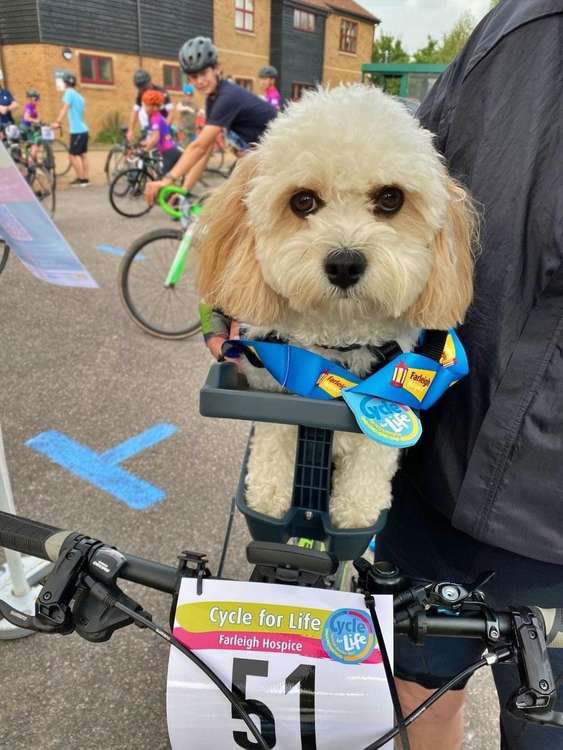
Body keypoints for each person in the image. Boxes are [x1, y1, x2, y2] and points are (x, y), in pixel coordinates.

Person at [374, 2, 563, 748]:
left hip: (529, 513)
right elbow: (396, 188)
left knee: (543, 726)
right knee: (420, 693)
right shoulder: (517, 26)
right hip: (440, 459)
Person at [145, 36, 277, 205]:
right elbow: (205, 148)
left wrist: (168, 179)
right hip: (263, 156)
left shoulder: (227, 96)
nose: (199, 81)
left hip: (282, 156)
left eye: (203, 73)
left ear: (216, 69)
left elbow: (198, 146)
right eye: (193, 76)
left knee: (238, 210)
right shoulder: (213, 98)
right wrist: (185, 190)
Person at [52, 72, 89, 186]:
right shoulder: (79, 96)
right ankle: (85, 178)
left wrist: (57, 122)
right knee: (83, 154)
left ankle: (82, 180)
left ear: (65, 83)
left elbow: (65, 108)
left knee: (72, 155)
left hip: (77, 130)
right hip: (83, 129)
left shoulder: (69, 93)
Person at [141, 89, 183, 175]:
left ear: (154, 107)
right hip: (169, 151)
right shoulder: (156, 116)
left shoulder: (155, 118)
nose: (144, 108)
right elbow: (155, 137)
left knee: (163, 181)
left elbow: (155, 138)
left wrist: (145, 150)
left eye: (146, 105)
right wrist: (145, 143)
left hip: (169, 152)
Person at [127, 69, 173, 143]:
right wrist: (131, 130)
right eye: (140, 88)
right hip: (149, 126)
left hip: (163, 122)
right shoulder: (141, 93)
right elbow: (135, 111)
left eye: (145, 87)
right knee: (139, 148)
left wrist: (164, 128)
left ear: (150, 82)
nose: (143, 91)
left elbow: (171, 114)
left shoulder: (162, 92)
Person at [20, 88, 41, 164]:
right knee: (35, 144)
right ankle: (30, 163)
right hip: (26, 127)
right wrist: (35, 121)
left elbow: (36, 117)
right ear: (32, 98)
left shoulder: (33, 106)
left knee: (37, 142)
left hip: (29, 127)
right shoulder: (29, 106)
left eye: (38, 98)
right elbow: (26, 117)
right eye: (37, 98)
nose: (38, 100)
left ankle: (33, 160)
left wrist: (39, 121)